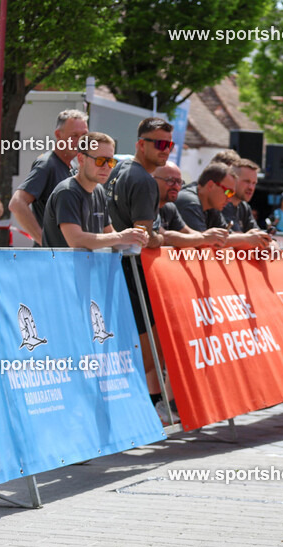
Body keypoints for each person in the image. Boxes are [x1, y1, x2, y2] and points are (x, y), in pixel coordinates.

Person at [103, 117, 173, 420]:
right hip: (132, 273)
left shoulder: (119, 169)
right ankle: (142, 411)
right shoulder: (144, 180)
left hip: (112, 269)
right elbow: (144, 236)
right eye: (159, 144)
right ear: (140, 144)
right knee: (148, 351)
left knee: (125, 345)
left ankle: (135, 408)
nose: (165, 150)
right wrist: (162, 237)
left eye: (169, 144)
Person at [41, 132, 147, 251]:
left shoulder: (98, 191)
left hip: (86, 268)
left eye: (111, 161)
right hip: (61, 268)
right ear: (81, 159)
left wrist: (135, 238)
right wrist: (120, 237)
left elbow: (111, 236)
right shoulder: (67, 192)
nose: (106, 167)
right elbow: (76, 240)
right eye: (100, 160)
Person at [10, 109, 89, 244]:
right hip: (52, 258)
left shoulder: (74, 166)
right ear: (58, 135)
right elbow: (17, 204)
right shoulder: (47, 164)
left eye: (84, 135)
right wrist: (45, 242)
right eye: (74, 135)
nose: (80, 141)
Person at [221, 159, 273, 249]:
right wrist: (247, 239)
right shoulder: (218, 204)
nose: (251, 187)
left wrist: (272, 244)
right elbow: (222, 240)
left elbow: (259, 236)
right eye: (247, 181)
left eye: (254, 183)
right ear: (232, 179)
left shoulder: (244, 207)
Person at [172, 163, 236, 232]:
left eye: (231, 194)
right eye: (228, 192)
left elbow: (227, 235)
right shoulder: (190, 203)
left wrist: (246, 237)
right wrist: (245, 238)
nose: (229, 199)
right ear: (210, 185)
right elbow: (201, 240)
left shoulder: (212, 205)